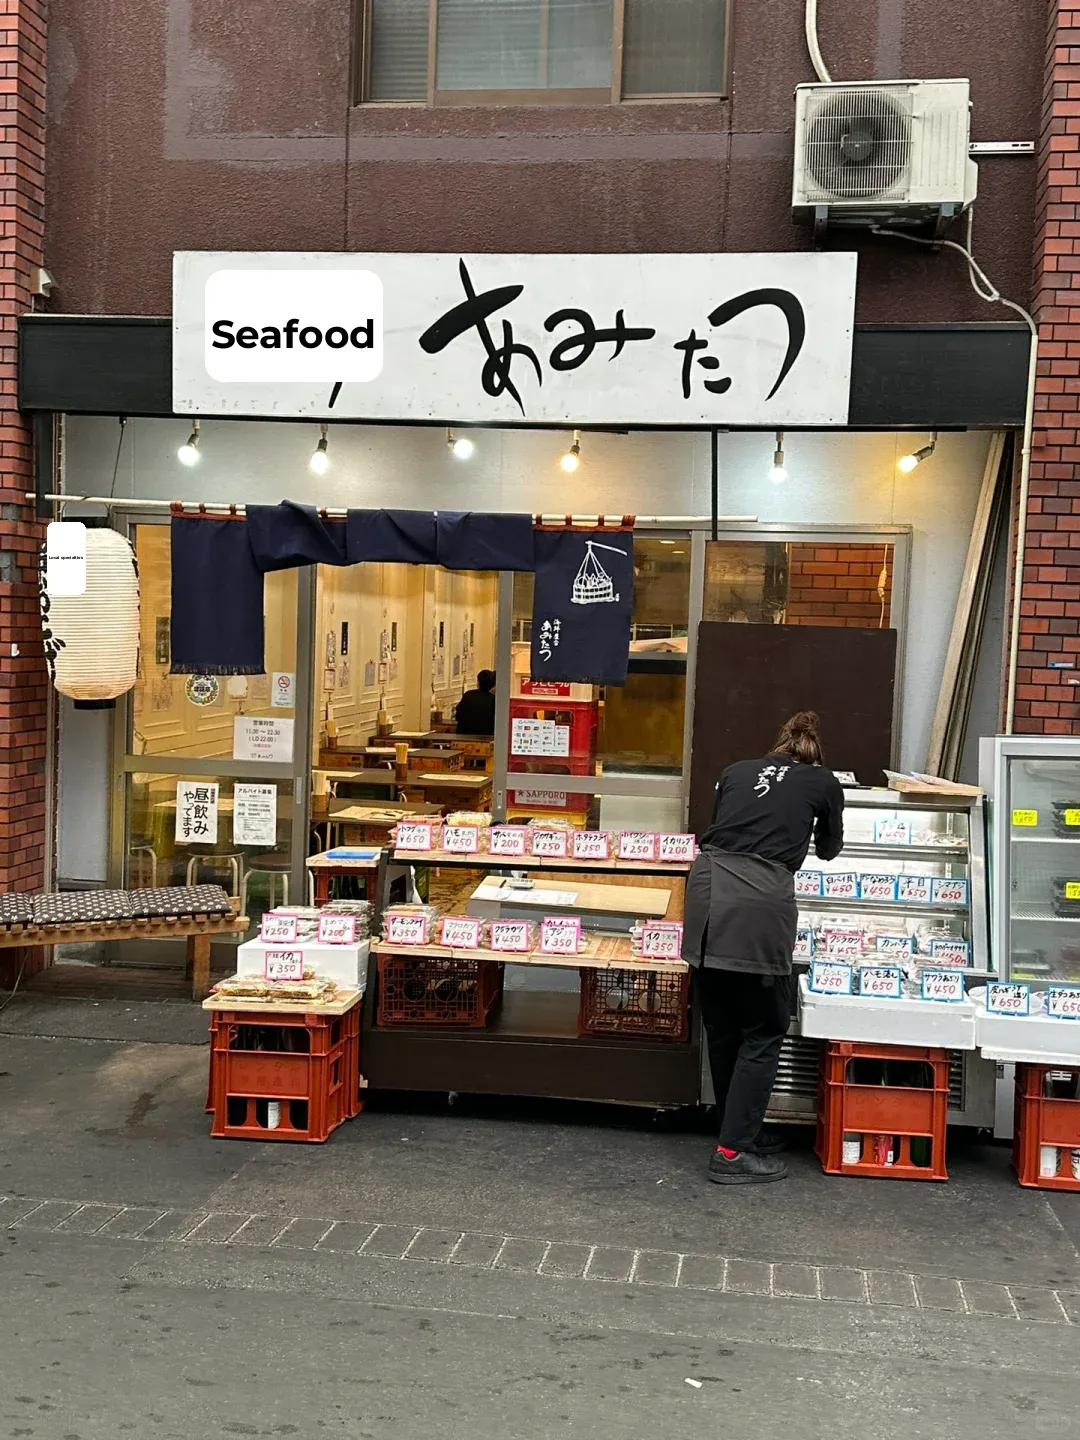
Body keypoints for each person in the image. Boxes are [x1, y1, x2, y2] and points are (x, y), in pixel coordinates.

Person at [683, 711, 844, 1185]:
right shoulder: (823, 782)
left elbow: (726, 829)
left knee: (723, 1027)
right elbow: (829, 849)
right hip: (758, 902)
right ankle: (732, 1151)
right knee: (764, 1028)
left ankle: (737, 1132)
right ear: (814, 754)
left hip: (706, 892)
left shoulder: (736, 771)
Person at [455, 669, 496, 736]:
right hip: (486, 736)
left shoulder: (468, 695)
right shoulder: (494, 699)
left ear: (478, 683)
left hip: (464, 735)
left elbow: (458, 716)